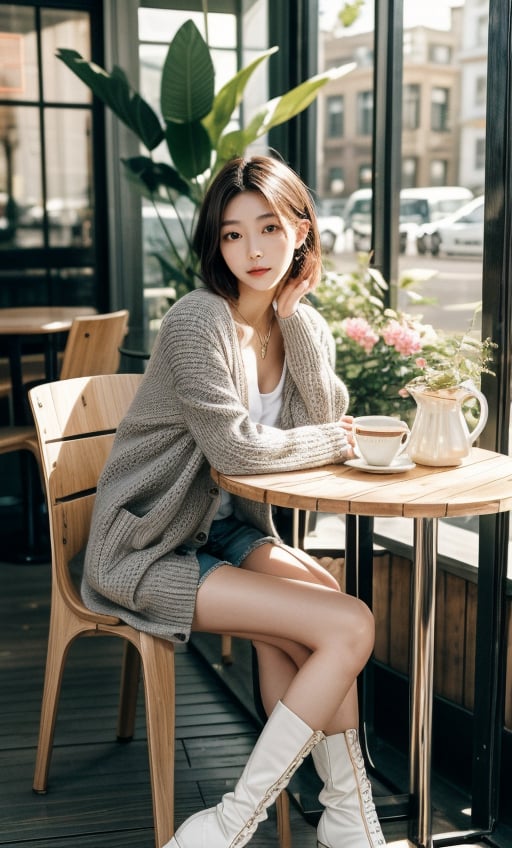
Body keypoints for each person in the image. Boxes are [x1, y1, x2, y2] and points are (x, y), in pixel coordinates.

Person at [82, 154, 386, 848]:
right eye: (231, 234)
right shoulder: (197, 321)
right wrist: (335, 439)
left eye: (270, 228)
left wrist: (296, 319)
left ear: (302, 231)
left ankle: (347, 817)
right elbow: (241, 452)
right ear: (215, 245)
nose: (253, 250)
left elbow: (319, 417)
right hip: (147, 546)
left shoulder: (296, 326)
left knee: (325, 606)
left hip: (222, 535)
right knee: (346, 626)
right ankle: (231, 823)